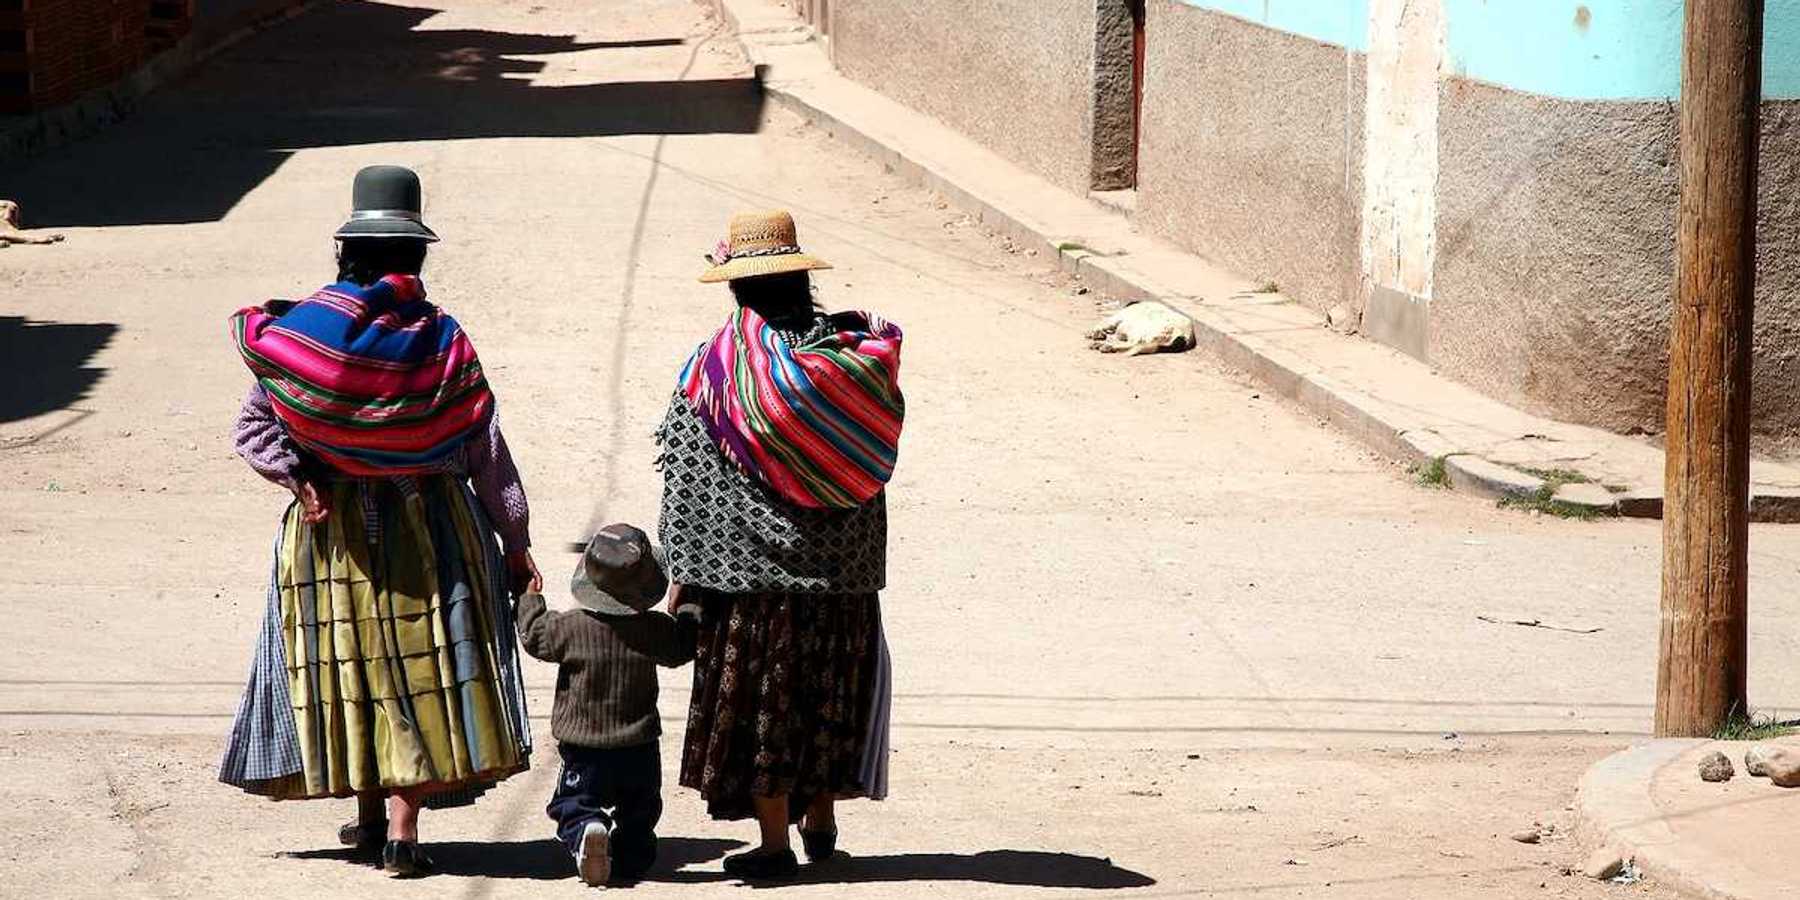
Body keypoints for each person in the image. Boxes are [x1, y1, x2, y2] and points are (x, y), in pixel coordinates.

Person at [217, 165, 539, 877]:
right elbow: (485, 450)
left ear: (345, 251)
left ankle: (368, 820)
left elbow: (251, 430)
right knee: (421, 673)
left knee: (350, 671)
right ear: (416, 258)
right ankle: (401, 831)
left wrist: (301, 479)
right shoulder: (442, 340)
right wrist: (514, 545)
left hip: (329, 534)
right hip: (432, 531)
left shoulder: (302, 336)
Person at [659, 210, 901, 880]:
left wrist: (681, 566)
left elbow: (687, 470)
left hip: (749, 579)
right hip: (842, 576)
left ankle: (774, 842)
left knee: (765, 702)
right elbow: (870, 459)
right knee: (825, 694)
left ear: (736, 288)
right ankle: (820, 814)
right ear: (801, 281)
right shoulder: (852, 365)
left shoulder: (716, 369)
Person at [515, 523, 701, 886]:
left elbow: (534, 636)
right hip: (639, 744)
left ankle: (587, 827)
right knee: (640, 811)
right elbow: (683, 647)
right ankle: (630, 860)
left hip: (583, 745)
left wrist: (529, 599)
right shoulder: (653, 629)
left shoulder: (568, 627)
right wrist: (688, 607)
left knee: (574, 801)